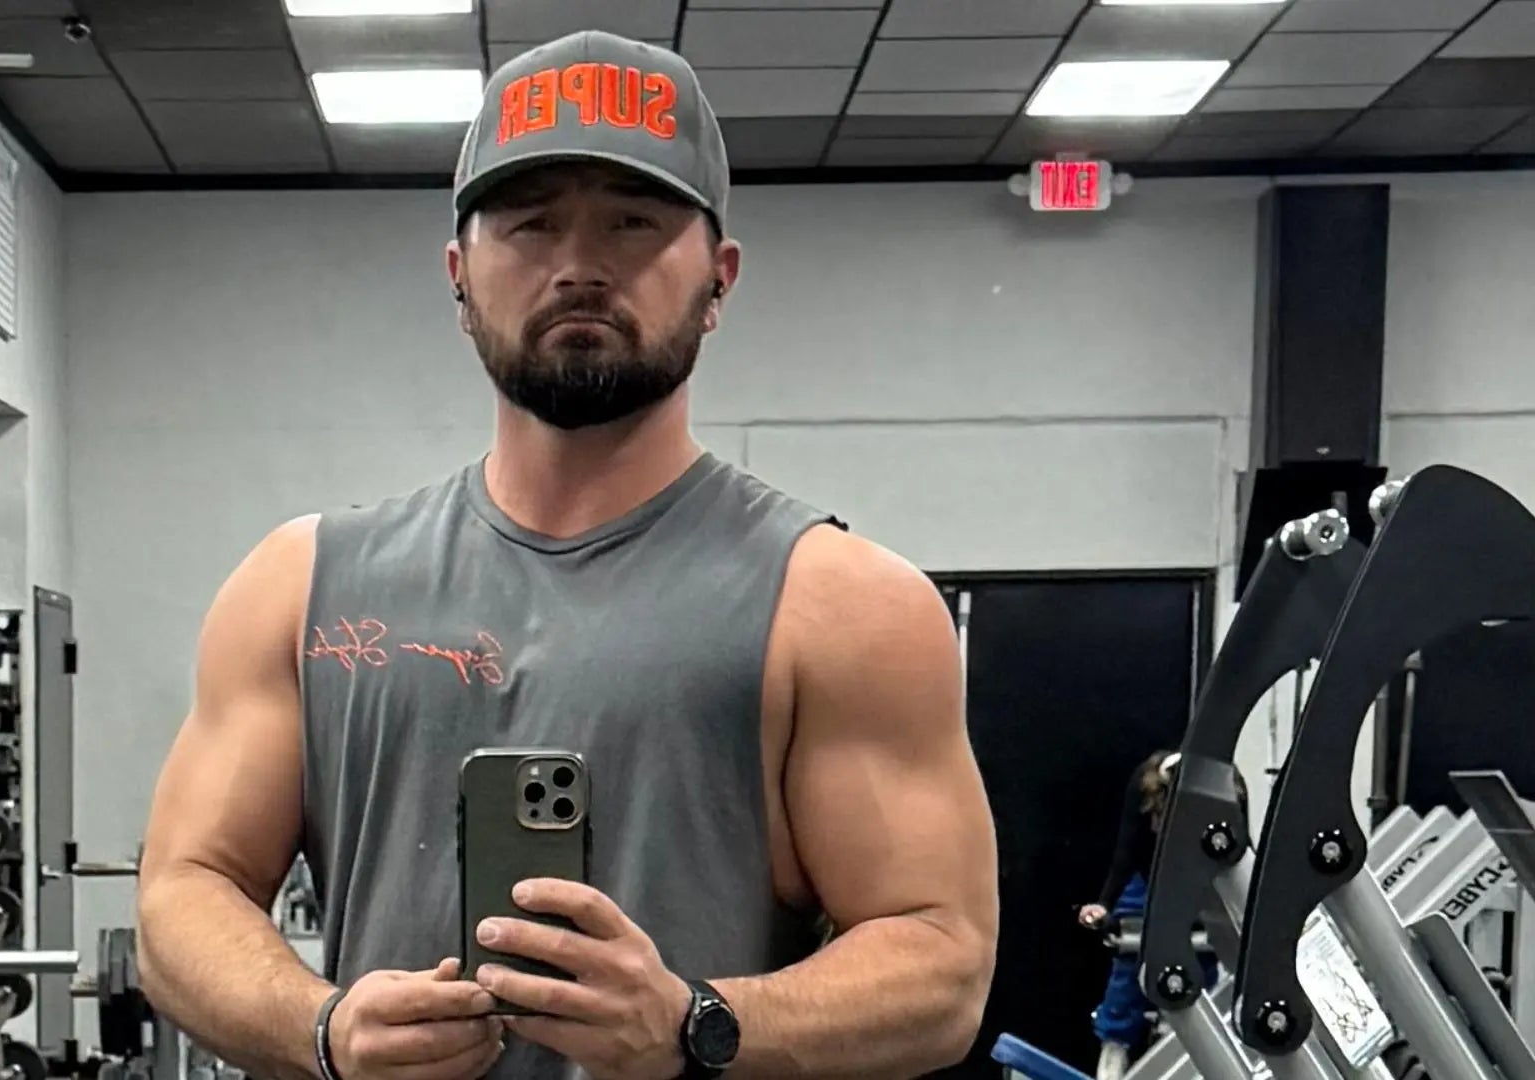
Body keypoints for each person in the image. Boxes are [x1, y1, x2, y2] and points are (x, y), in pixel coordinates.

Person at [134, 28, 998, 1080]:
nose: (579, 266)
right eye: (530, 226)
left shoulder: (843, 605)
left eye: (633, 225)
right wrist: (321, 1029)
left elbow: (942, 962)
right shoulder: (302, 586)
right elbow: (183, 893)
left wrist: (697, 1024)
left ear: (718, 277)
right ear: (459, 275)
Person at [1077, 751, 1227, 1080]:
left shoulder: (1227, 794)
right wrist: (1104, 904)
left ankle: (1197, 1050)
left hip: (1199, 882)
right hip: (1147, 881)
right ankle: (1112, 1061)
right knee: (1128, 974)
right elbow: (1126, 852)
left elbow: (1238, 857)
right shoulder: (1143, 786)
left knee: (1201, 980)